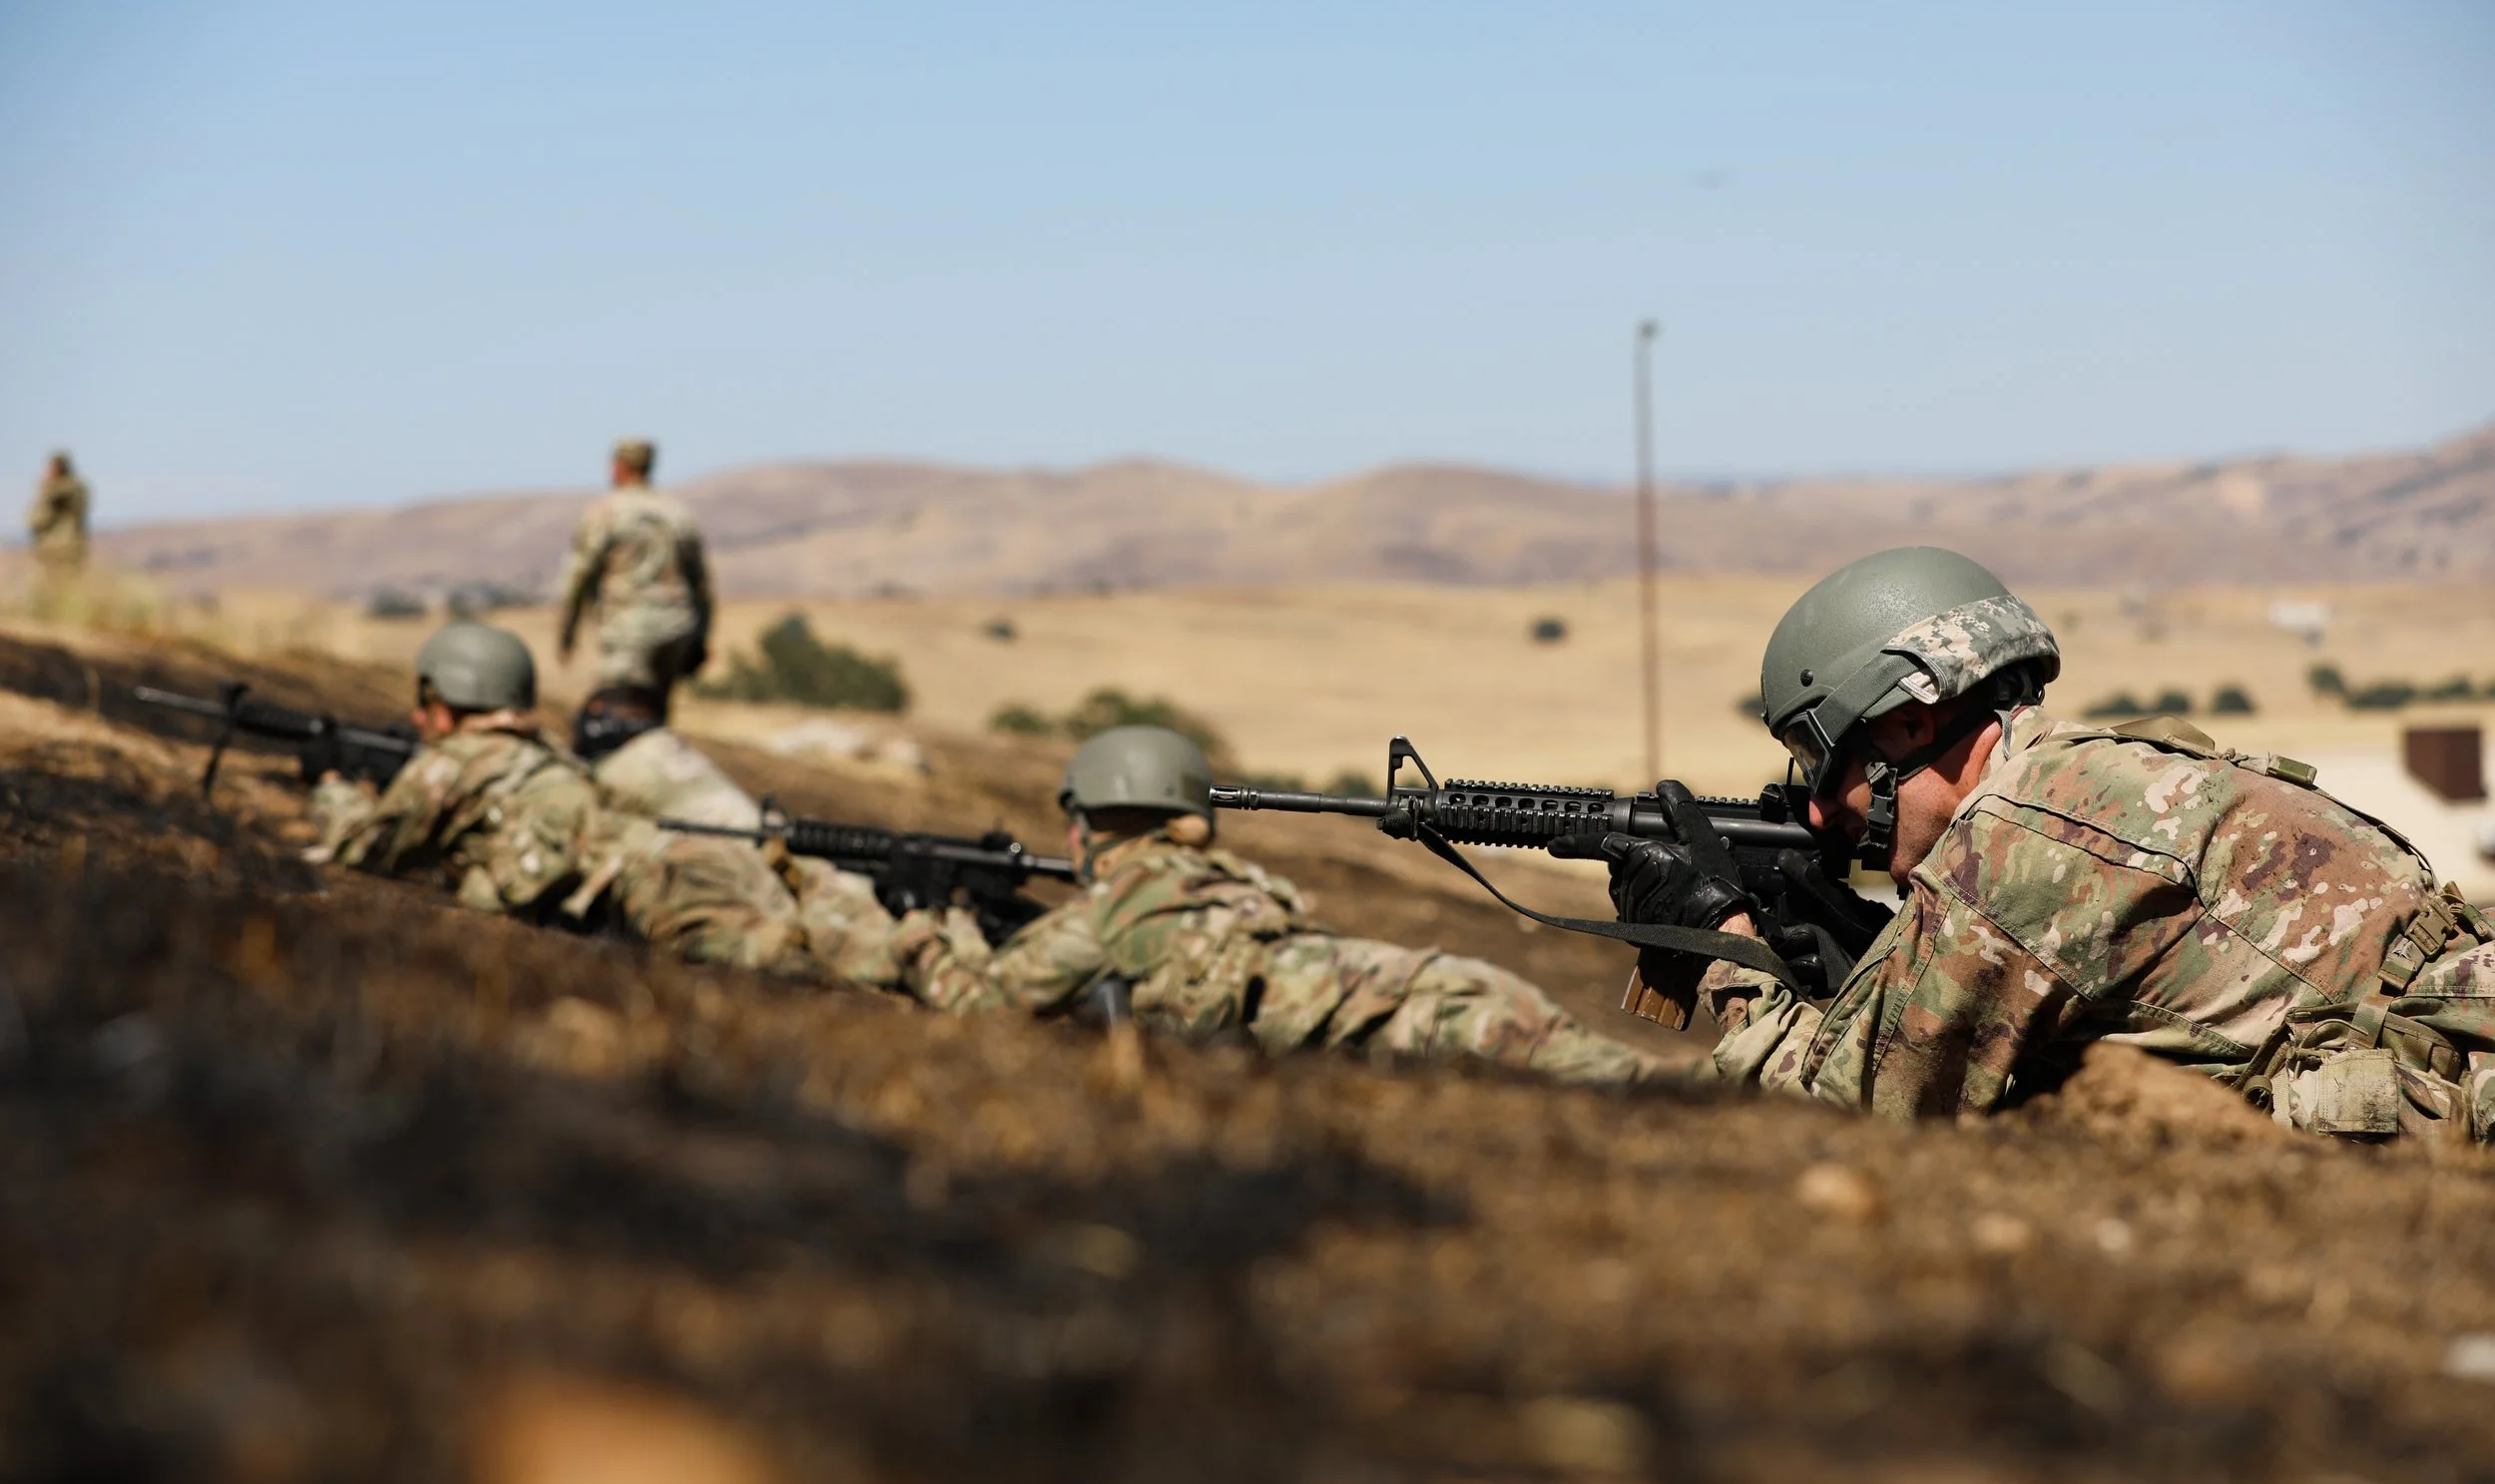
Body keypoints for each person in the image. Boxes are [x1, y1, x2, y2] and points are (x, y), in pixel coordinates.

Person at [1602, 546, 2494, 1143]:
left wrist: (1724, 944)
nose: (1820, 812)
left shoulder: (2022, 837)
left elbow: (1838, 1116)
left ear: (1911, 722)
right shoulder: (2095, 779)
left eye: (1821, 761)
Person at [884, 726, 1674, 1087]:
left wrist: (923, 923)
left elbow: (979, 1002)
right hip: (1441, 989)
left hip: (1429, 1021)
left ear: (1094, 819)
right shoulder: (1226, 884)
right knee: (1651, 1091)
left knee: (1665, 1105)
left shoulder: (1116, 911)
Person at [306, 620, 852, 974]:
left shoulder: (455, 763)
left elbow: (363, 847)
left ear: (443, 699)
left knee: (795, 967)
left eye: (424, 701)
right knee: (844, 946)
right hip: (678, 864)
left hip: (649, 892)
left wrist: (333, 788)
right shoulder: (547, 754)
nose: (417, 718)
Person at [554, 438, 715, 749]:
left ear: (618, 467)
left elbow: (579, 576)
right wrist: (701, 636)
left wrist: (567, 631)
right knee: (656, 715)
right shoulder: (678, 513)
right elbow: (702, 584)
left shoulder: (605, 512)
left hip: (628, 630)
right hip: (676, 627)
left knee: (616, 718)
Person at [25, 451, 90, 617]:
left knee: (68, 583)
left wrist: (50, 487)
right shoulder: (52, 487)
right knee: (49, 584)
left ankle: (67, 614)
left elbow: (72, 504)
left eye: (54, 467)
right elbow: (37, 517)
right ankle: (51, 613)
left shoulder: (71, 487)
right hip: (49, 545)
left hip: (67, 545)